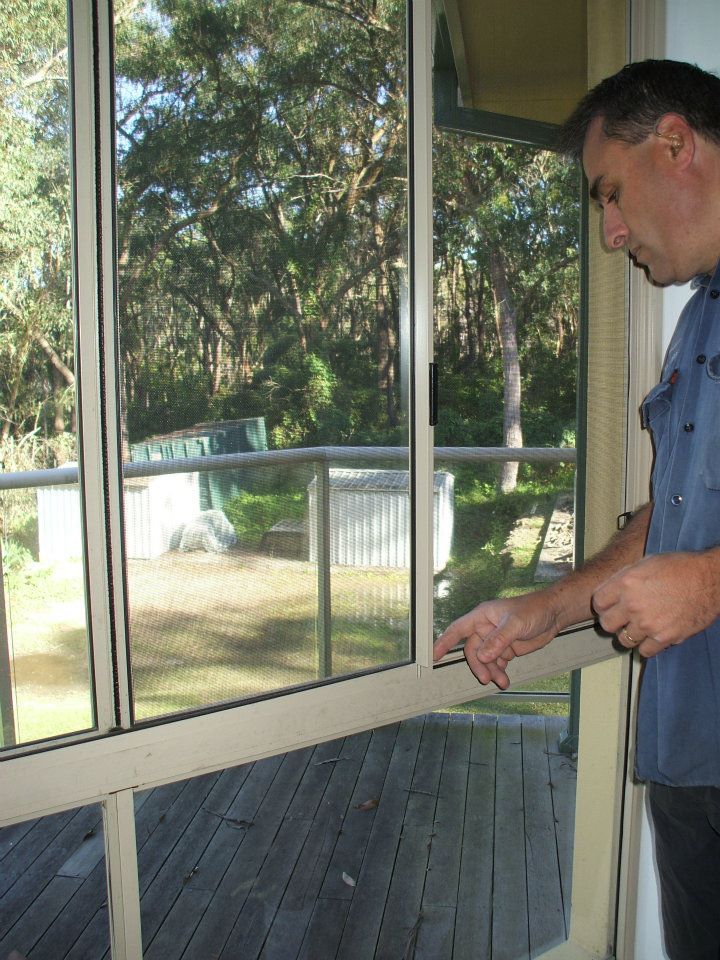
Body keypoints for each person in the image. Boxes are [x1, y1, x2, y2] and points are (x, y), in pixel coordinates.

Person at [432, 59, 720, 960]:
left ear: (675, 143)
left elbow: (698, 562)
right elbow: (669, 510)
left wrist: (710, 582)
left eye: (611, 194)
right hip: (689, 762)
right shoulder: (700, 317)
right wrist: (544, 612)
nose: (610, 232)